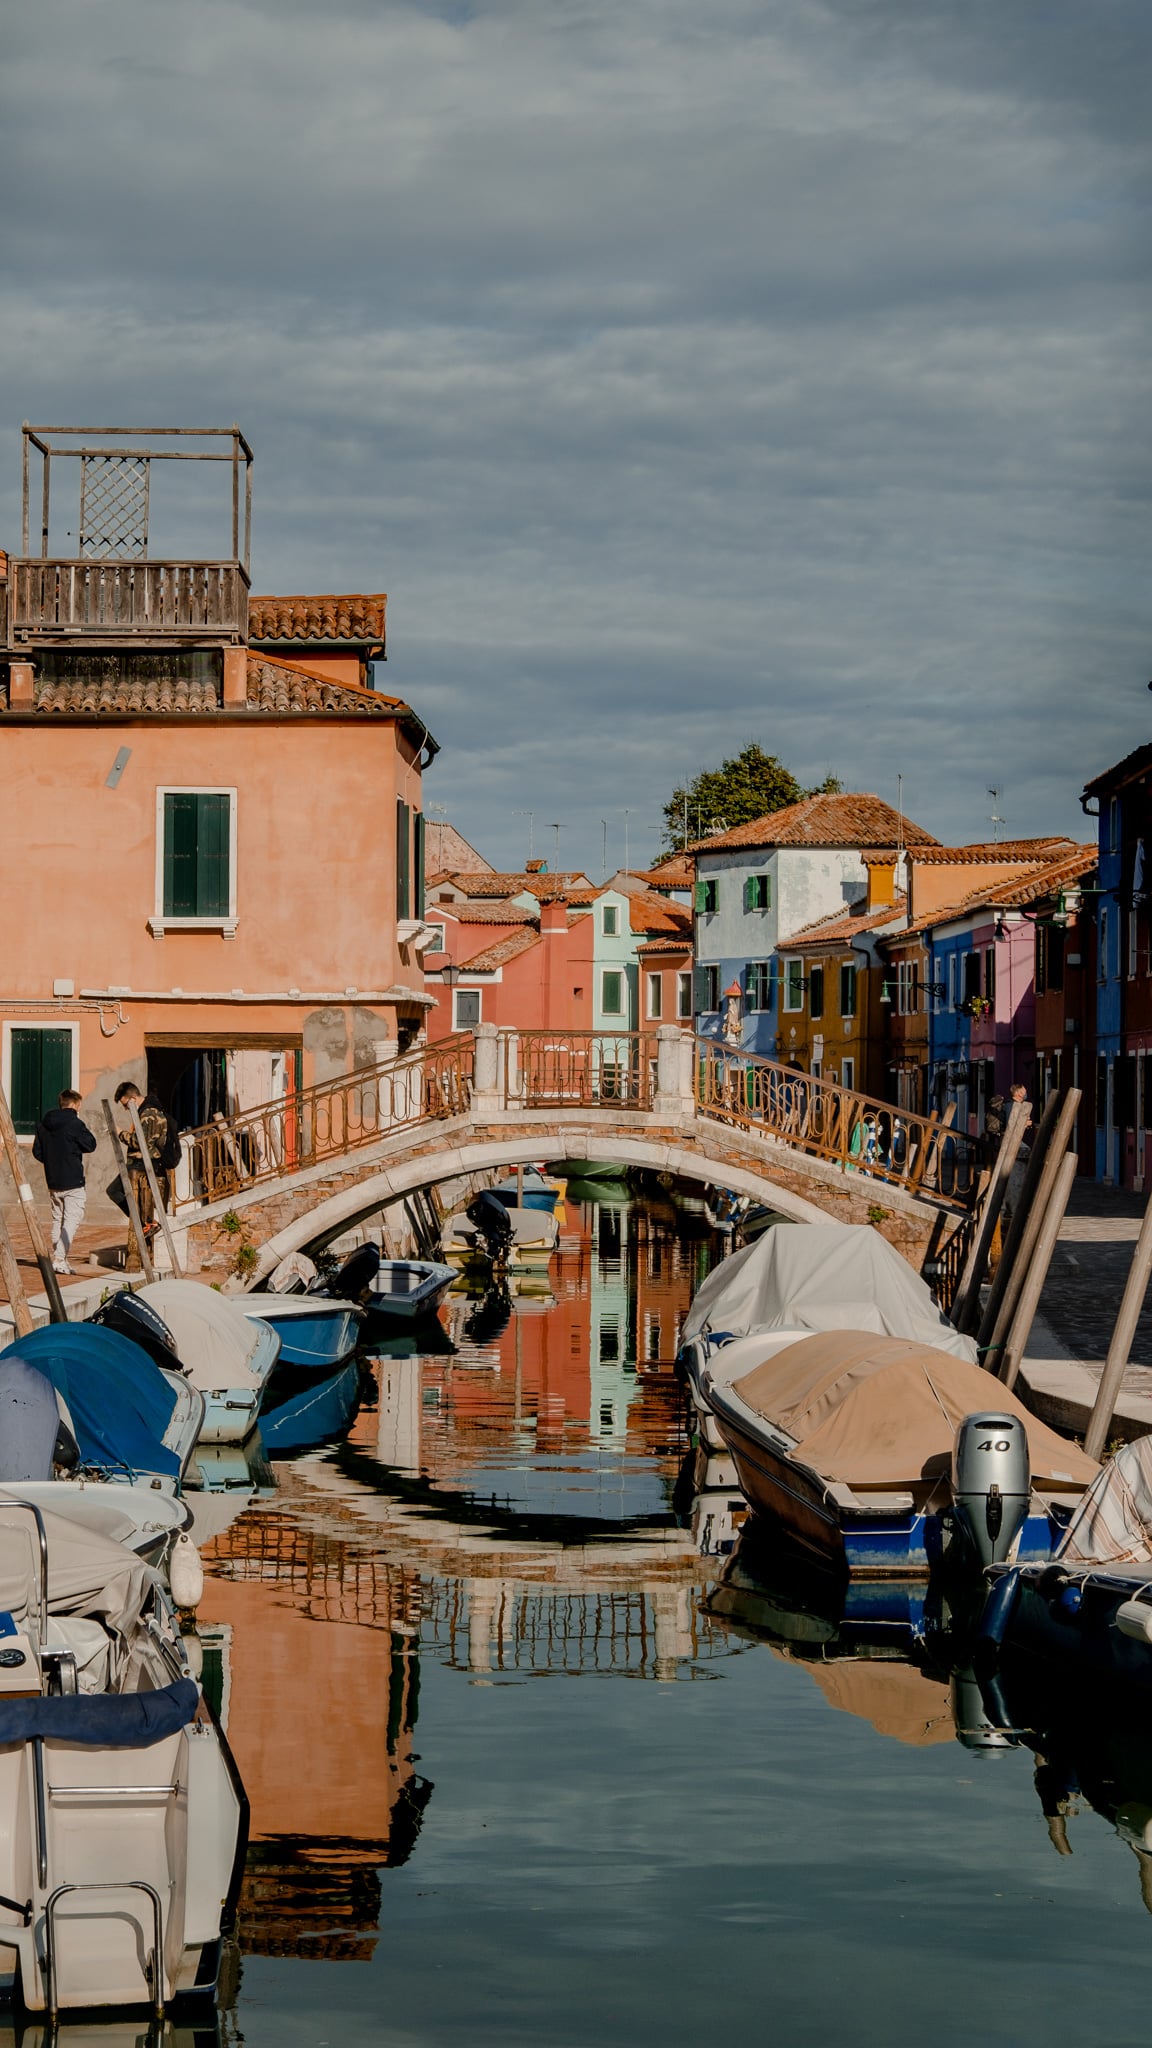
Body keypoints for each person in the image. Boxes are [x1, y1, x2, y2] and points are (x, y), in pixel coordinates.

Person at [32, 1089, 97, 1275]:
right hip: (73, 1181)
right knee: (71, 1221)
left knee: (57, 1219)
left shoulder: (43, 1124)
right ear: (75, 1104)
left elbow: (37, 1152)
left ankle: (61, 1258)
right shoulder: (75, 1123)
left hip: (53, 1180)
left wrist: (53, 1161)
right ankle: (59, 1259)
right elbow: (90, 1144)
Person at [114, 1081, 179, 1266]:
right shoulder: (147, 1110)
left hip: (143, 1166)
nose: (127, 1109)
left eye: (126, 1105)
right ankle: (145, 1223)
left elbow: (140, 1142)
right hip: (139, 1165)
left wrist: (119, 1133)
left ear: (133, 1098)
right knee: (120, 1194)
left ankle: (145, 1224)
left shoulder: (149, 1113)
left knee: (114, 1191)